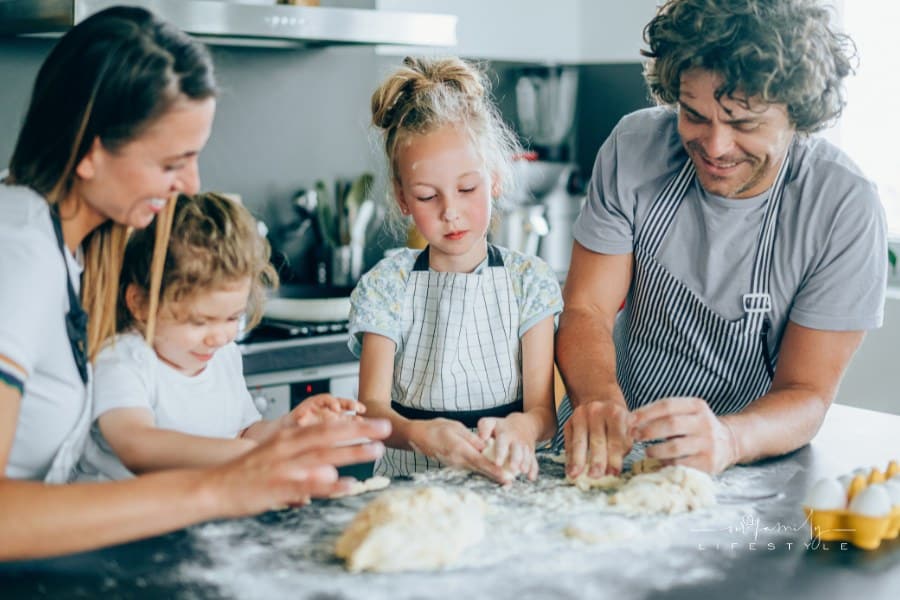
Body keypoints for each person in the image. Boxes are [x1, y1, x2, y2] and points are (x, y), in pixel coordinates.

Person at [0, 6, 387, 561]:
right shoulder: (17, 251)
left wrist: (276, 441)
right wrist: (222, 485)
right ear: (90, 152)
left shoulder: (74, 255)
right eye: (170, 162)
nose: (192, 183)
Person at [556, 0, 886, 478]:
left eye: (744, 124)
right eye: (694, 115)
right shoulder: (634, 147)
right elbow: (587, 308)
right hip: (607, 447)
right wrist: (599, 400)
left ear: (798, 113)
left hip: (740, 467)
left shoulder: (842, 207)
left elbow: (807, 392)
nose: (714, 147)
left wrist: (729, 438)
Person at [350, 56, 563, 484]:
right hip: (409, 487)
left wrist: (517, 429)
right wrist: (420, 435)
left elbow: (543, 414)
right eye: (428, 196)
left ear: (496, 178)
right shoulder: (386, 286)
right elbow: (372, 411)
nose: (451, 212)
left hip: (506, 486)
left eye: (467, 189)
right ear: (402, 197)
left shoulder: (529, 282)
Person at [76, 192, 364, 480]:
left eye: (232, 318)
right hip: (129, 520)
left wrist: (290, 428)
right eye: (199, 321)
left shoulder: (223, 356)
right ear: (139, 303)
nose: (218, 337)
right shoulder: (123, 359)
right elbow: (138, 447)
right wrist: (259, 456)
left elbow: (242, 433)